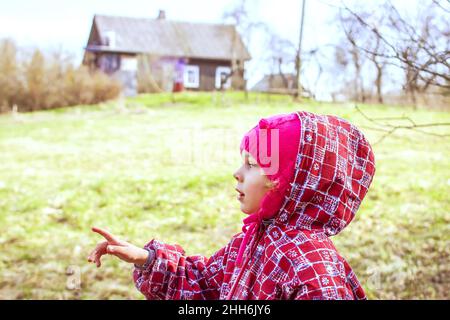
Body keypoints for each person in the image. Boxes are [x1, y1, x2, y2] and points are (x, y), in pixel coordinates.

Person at [88, 110, 376, 300]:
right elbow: (203, 283)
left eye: (252, 165)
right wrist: (146, 258)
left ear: (290, 182)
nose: (237, 172)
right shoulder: (252, 242)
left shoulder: (312, 266)